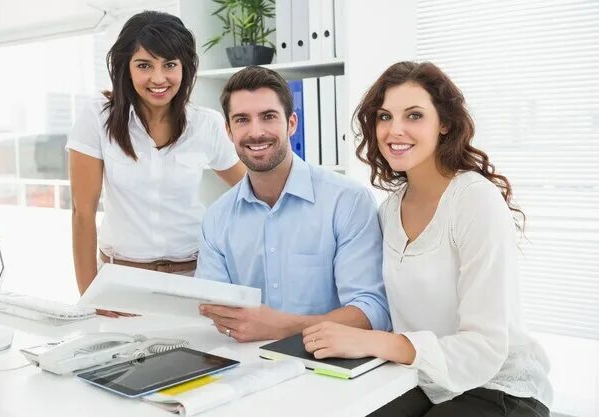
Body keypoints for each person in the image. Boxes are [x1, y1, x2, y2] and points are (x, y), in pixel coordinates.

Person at [301, 62, 552, 417]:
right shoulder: (388, 211)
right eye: (384, 117)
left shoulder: (475, 201)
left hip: (497, 385)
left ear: (444, 124)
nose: (394, 130)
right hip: (424, 380)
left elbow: (485, 346)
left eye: (414, 115)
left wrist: (374, 342)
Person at [67, 11, 246, 316]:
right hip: (121, 284)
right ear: (126, 68)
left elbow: (252, 192)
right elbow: (82, 214)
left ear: (185, 67)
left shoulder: (206, 125)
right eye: (144, 65)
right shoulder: (96, 119)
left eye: (170, 65)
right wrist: (90, 296)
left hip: (195, 281)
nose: (159, 78)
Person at [195, 66, 391, 342]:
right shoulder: (217, 218)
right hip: (247, 367)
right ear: (228, 131)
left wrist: (284, 327)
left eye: (268, 117)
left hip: (330, 368)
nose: (256, 131)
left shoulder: (346, 201)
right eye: (241, 120)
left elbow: (372, 311)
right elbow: (214, 309)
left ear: (291, 123)